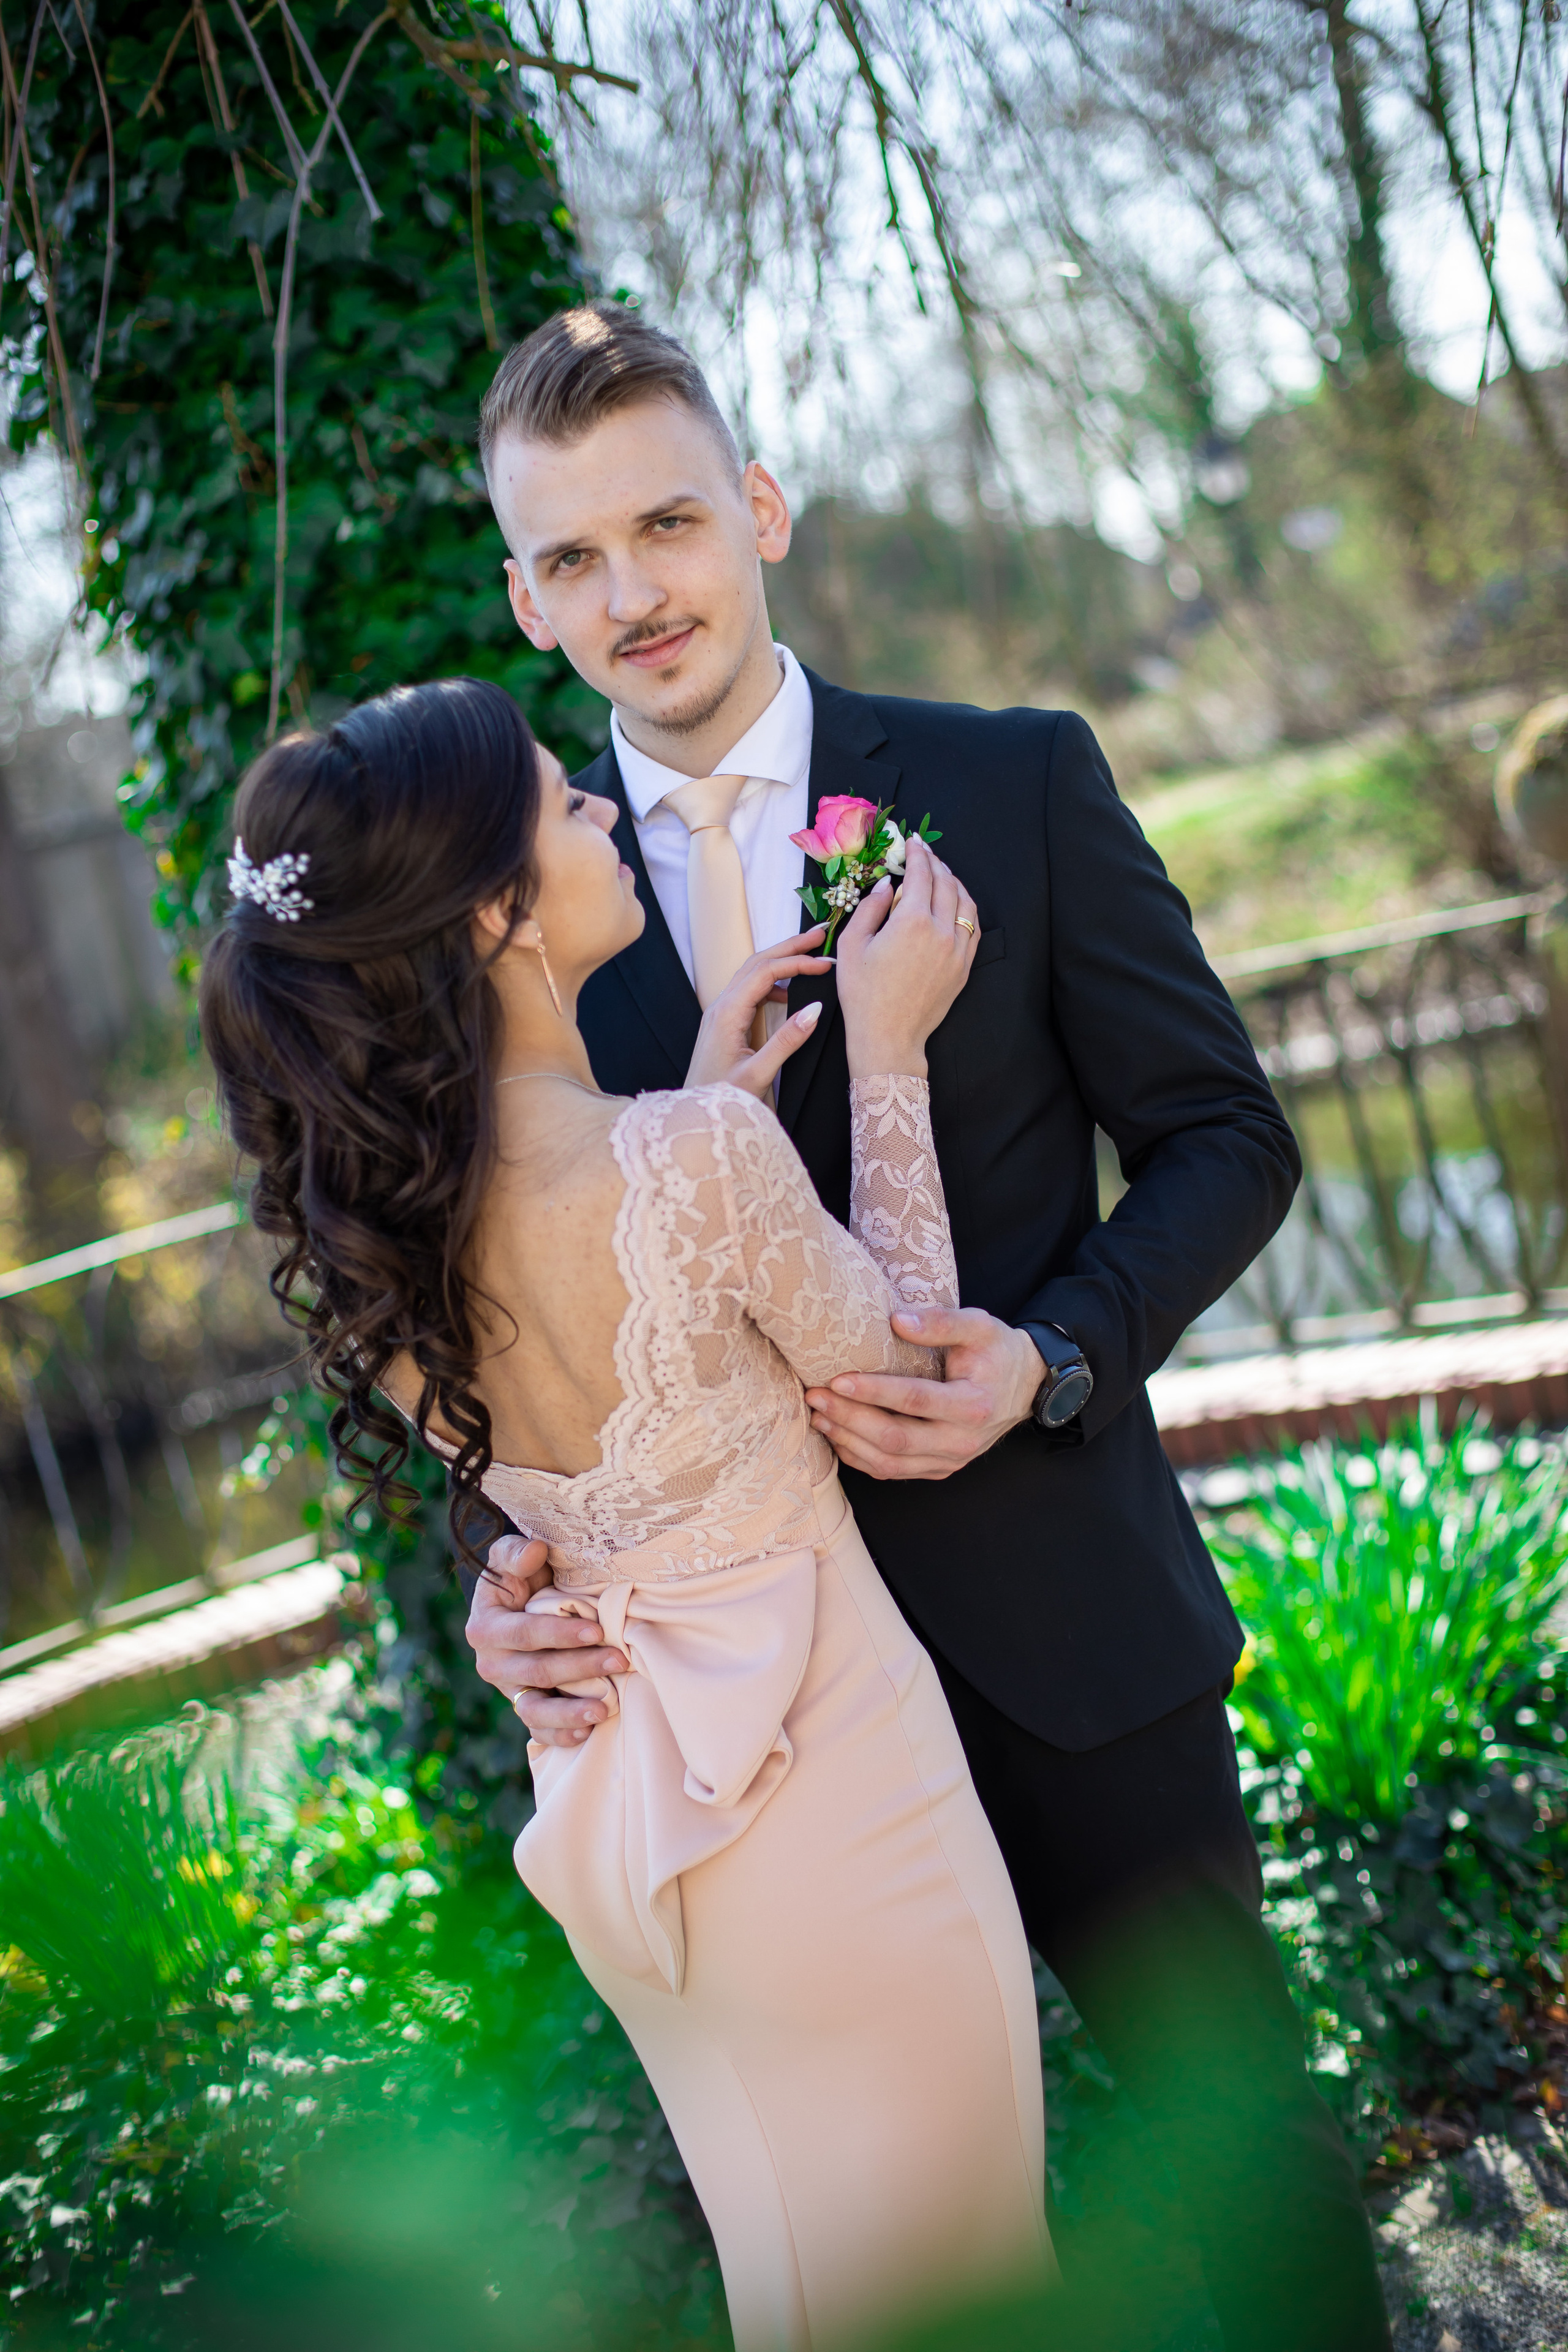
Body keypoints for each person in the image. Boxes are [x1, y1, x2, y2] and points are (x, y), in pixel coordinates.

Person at [466, 300, 1394, 2352]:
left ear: (762, 511)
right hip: (752, 1746)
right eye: (574, 559)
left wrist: (1054, 1355)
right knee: (896, 2258)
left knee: (1251, 2166)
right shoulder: (511, 922)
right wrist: (504, 1573)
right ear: (525, 599)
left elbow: (1227, 1139)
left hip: (1070, 1637)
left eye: (670, 524)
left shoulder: (1015, 783)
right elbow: (513, 1316)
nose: (635, 594)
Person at [198, 677, 1053, 2352]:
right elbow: (901, 1371)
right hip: (836, 1798)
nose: (601, 810)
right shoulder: (688, 1168)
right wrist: (887, 1048)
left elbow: (603, 1381)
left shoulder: (387, 1268)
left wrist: (709, 1114)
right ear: (497, 913)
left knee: (801, 2287)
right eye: (559, 804)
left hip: (634, 1839)